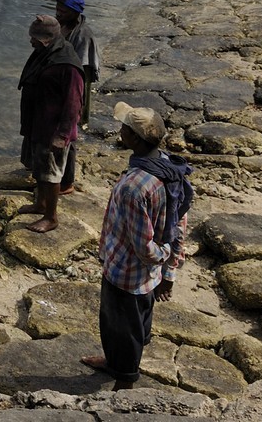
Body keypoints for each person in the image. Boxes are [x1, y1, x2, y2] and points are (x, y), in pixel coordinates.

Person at [81, 102, 191, 391]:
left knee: (122, 329)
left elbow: (144, 247)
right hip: (147, 277)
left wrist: (163, 256)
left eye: (124, 128)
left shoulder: (135, 187)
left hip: (126, 273)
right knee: (135, 324)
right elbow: (179, 224)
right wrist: (169, 273)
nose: (120, 131)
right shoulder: (169, 168)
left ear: (133, 138)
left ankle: (124, 383)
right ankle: (116, 363)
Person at [16, 15, 84, 234]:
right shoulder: (45, 54)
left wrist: (62, 135)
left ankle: (51, 217)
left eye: (34, 38)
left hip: (52, 129)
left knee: (51, 173)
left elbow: (74, 104)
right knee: (39, 168)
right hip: (39, 123)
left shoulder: (67, 65)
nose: (31, 42)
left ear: (46, 39)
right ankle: (40, 203)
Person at [54, 0, 99, 195]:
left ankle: (66, 181)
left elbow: (78, 69)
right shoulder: (62, 26)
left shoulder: (83, 35)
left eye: (62, 11)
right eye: (57, 10)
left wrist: (72, 100)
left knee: (68, 133)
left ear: (74, 12)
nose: (58, 14)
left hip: (73, 88)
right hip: (60, 84)